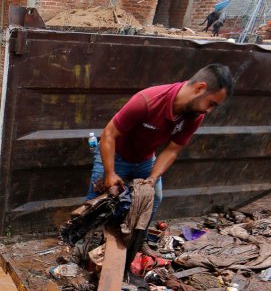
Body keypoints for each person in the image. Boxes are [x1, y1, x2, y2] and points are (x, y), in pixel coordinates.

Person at [86, 64, 234, 220]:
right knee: (95, 204)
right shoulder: (147, 101)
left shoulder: (196, 116)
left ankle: (131, 241)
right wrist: (110, 173)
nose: (209, 110)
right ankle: (79, 242)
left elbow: (172, 150)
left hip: (145, 160)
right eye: (211, 104)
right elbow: (109, 135)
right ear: (199, 88)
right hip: (116, 156)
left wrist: (153, 178)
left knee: (154, 198)